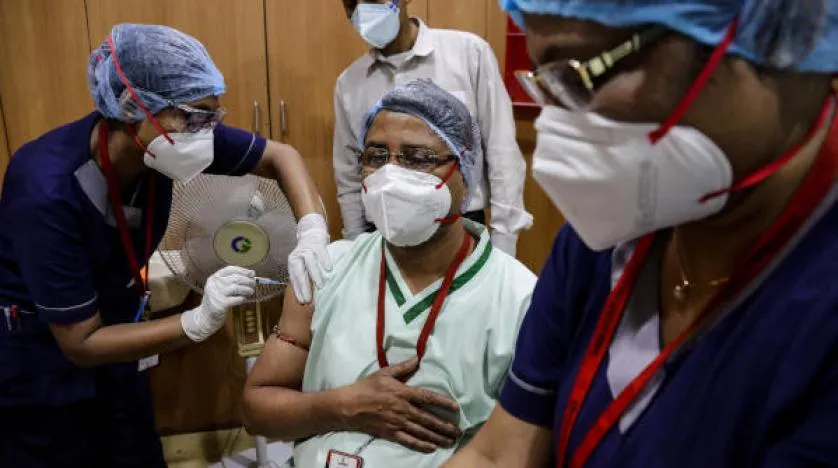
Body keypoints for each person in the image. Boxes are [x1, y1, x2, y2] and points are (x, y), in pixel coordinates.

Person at [444, 1, 838, 467]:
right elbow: (498, 454)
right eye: (547, 83)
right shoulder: (607, 238)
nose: (555, 125)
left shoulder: (815, 309)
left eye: (578, 75)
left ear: (763, 40)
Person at [0, 24, 332, 467]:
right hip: (43, 369)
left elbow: (281, 156)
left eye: (213, 117)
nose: (206, 133)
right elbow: (81, 342)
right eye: (195, 117)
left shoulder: (166, 141)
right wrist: (195, 321)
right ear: (132, 107)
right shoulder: (46, 190)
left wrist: (311, 229)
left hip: (119, 346)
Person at [243, 79, 537, 467]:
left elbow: (524, 451)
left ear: (466, 170)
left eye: (417, 158)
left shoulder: (519, 298)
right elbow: (257, 410)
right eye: (376, 156)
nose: (390, 174)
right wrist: (343, 406)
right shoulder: (325, 269)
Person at [334, 0, 533, 256]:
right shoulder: (350, 83)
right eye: (351, 4)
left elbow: (501, 149)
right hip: (383, 231)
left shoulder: (468, 54)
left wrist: (504, 241)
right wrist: (355, 245)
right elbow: (349, 174)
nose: (362, 10)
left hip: (459, 225)